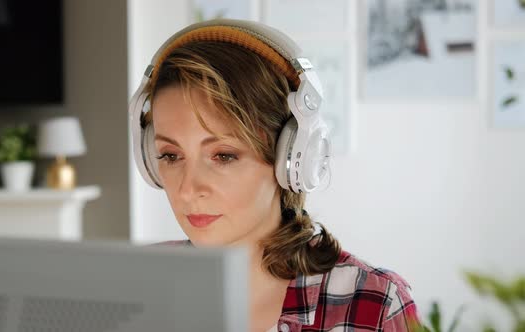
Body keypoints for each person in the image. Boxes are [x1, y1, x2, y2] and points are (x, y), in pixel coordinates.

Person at [130, 19, 420, 332]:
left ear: (293, 156)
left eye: (223, 156)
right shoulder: (131, 282)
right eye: (171, 156)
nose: (188, 190)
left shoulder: (375, 304)